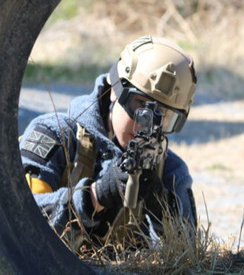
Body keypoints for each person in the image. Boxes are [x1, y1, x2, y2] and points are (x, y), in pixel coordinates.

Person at [20, 35, 198, 251]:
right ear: (115, 90)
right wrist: (95, 196)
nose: (147, 126)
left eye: (164, 116)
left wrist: (162, 211)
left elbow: (188, 255)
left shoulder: (170, 170)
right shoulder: (55, 136)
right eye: (141, 106)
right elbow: (19, 223)